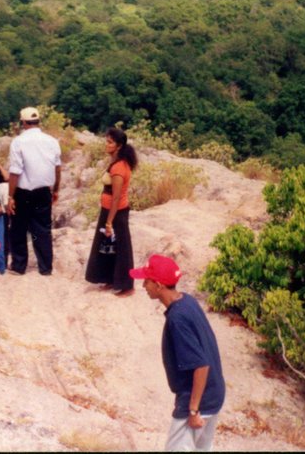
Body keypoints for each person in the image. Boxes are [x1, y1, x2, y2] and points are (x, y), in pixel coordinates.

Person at [131, 254, 226, 452]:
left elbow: (201, 365)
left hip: (198, 400)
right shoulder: (187, 301)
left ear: (159, 285)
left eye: (146, 282)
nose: (143, 287)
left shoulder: (177, 318)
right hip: (214, 393)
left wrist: (193, 410)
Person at [5, 107, 61, 276]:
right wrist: (56, 189)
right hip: (44, 191)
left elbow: (15, 171)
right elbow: (57, 168)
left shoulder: (18, 142)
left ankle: (19, 265)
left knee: (19, 228)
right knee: (43, 229)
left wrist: (10, 196)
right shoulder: (52, 141)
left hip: (23, 191)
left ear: (23, 122)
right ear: (38, 121)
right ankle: (45, 267)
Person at [85, 126, 138, 296]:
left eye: (110, 142)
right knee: (107, 246)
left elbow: (116, 197)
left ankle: (127, 286)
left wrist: (109, 221)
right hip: (109, 210)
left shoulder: (119, 168)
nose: (106, 145)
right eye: (106, 141)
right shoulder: (116, 163)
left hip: (116, 212)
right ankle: (110, 279)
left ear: (119, 145)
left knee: (121, 247)